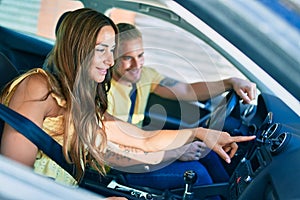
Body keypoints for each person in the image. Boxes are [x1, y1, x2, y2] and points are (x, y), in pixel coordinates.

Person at [0, 8, 255, 199]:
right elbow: (14, 180)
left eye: (112, 50)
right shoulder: (37, 87)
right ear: (77, 49)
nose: (110, 61)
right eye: (102, 50)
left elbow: (143, 139)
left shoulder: (83, 102)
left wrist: (199, 133)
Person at [107, 23, 257, 187]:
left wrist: (231, 82)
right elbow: (113, 152)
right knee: (197, 174)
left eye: (140, 55)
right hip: (118, 168)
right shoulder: (105, 94)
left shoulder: (145, 76)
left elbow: (186, 90)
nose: (137, 65)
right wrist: (174, 152)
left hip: (145, 149)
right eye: (127, 58)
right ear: (111, 57)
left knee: (207, 152)